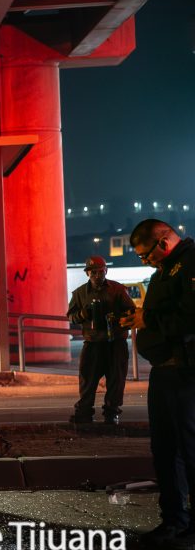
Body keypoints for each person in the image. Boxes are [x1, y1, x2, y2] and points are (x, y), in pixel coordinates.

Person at [120, 219, 195, 548]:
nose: (144, 261)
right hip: (165, 371)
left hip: (186, 372)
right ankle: (173, 519)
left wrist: (147, 319)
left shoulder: (189, 264)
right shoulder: (165, 270)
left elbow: (190, 317)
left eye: (144, 254)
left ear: (162, 242)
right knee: (164, 449)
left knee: (189, 449)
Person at [65, 255, 134, 425]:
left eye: (100, 271)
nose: (97, 275)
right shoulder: (80, 293)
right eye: (93, 272)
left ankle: (112, 413)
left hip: (116, 343)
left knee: (116, 380)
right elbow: (70, 316)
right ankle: (84, 413)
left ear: (106, 271)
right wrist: (82, 314)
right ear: (87, 273)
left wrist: (117, 317)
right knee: (88, 380)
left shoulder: (117, 290)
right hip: (93, 343)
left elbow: (131, 311)